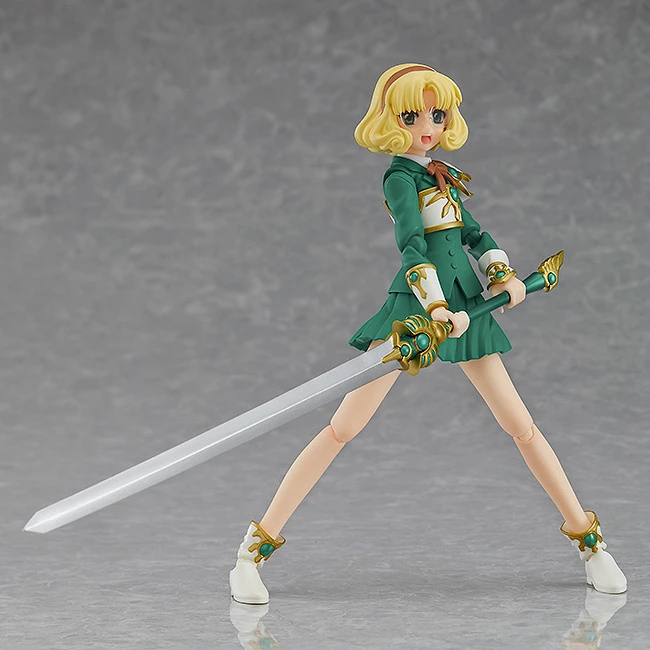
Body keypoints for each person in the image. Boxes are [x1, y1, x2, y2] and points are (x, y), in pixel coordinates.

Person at [229, 63, 627, 604]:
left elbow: (473, 233)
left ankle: (590, 543)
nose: (427, 127)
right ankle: (251, 554)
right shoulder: (399, 178)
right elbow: (412, 246)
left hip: (467, 306)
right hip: (416, 311)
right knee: (343, 428)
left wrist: (503, 276)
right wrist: (435, 307)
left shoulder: (443, 173)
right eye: (412, 116)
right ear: (391, 119)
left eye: (437, 116)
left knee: (521, 426)